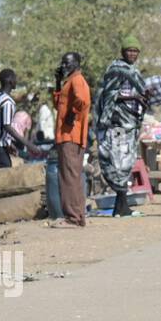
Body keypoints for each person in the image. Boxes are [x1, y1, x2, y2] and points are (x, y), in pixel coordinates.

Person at [95, 35, 148, 217]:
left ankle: (120, 207)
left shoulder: (132, 69)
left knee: (126, 160)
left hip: (130, 121)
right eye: (129, 50)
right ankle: (122, 206)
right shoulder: (116, 68)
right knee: (120, 161)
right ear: (123, 52)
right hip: (118, 122)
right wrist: (133, 97)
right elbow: (110, 94)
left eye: (135, 51)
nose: (132, 54)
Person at [52, 52, 90, 228]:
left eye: (68, 63)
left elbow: (82, 101)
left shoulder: (77, 80)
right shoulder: (70, 81)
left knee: (69, 177)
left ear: (77, 63)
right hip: (67, 135)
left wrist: (71, 116)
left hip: (70, 135)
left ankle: (72, 218)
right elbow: (58, 104)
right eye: (63, 63)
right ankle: (78, 216)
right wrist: (58, 82)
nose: (64, 65)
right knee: (73, 176)